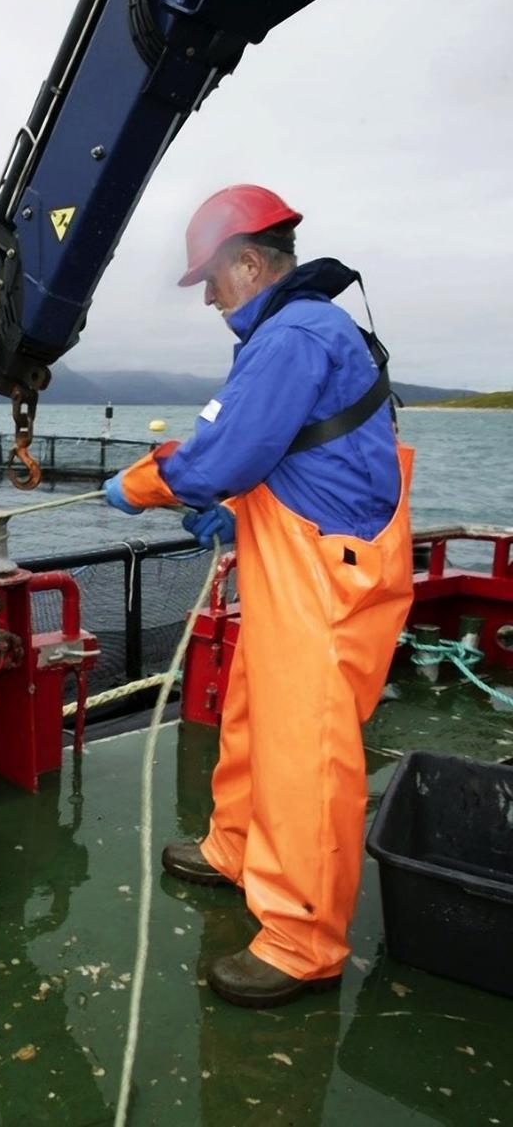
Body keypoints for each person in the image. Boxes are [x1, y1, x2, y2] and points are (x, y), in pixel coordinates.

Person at [104, 184, 414, 1008]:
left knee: (304, 749)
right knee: (250, 711)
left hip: (327, 578)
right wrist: (234, 513)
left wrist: (142, 484)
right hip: (301, 558)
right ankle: (236, 847)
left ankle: (301, 939)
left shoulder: (294, 335)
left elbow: (220, 454)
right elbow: (301, 455)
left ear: (250, 262)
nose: (208, 297)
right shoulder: (296, 333)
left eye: (212, 278)